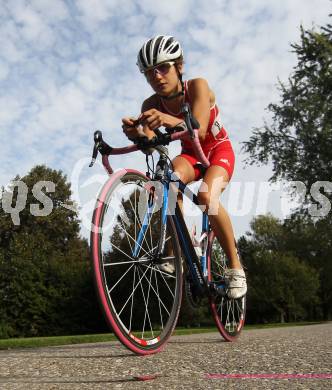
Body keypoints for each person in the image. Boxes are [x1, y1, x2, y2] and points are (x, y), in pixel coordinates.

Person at [122, 35, 247, 299]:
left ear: (179, 66)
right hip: (190, 155)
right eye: (149, 73)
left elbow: (198, 130)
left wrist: (166, 118)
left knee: (206, 197)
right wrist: (136, 134)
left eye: (163, 67)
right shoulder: (150, 104)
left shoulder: (198, 86)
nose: (156, 76)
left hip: (216, 150)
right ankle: (186, 248)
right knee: (165, 183)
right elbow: (151, 143)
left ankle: (236, 268)